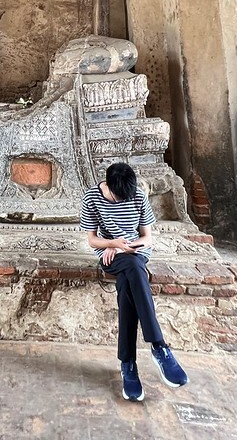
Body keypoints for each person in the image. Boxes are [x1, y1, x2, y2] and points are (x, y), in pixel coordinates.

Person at [80, 161, 189, 401]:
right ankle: (159, 346)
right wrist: (112, 244)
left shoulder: (137, 194)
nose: (123, 200)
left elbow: (147, 238)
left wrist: (125, 247)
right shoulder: (92, 198)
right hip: (110, 255)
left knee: (127, 283)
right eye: (119, 197)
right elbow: (91, 240)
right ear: (108, 185)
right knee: (133, 269)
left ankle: (128, 365)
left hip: (135, 253)